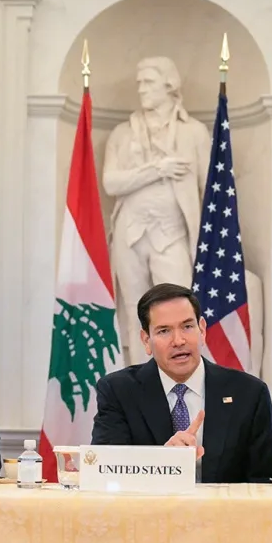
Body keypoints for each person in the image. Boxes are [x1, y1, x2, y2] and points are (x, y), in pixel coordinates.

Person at [91, 283, 272, 483]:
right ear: (146, 340)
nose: (179, 340)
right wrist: (159, 464)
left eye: (187, 327)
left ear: (202, 331)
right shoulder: (118, 391)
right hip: (148, 512)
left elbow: (267, 481)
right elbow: (106, 474)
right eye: (164, 331)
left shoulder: (249, 393)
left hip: (224, 512)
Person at [102, 57, 211, 363]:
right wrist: (157, 169)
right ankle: (139, 382)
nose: (141, 89)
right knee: (136, 311)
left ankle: (183, 376)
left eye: (148, 82)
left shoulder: (195, 133)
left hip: (173, 232)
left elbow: (209, 189)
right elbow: (111, 182)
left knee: (180, 306)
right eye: (139, 83)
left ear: (169, 85)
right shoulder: (123, 134)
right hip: (130, 232)